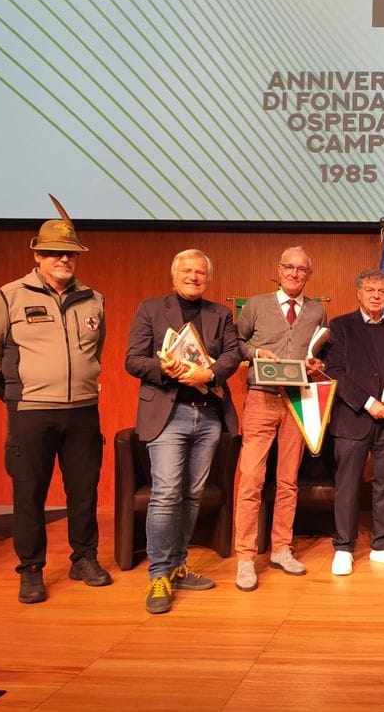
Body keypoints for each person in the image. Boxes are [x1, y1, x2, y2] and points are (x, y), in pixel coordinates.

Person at [0, 196, 111, 604]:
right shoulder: (11, 296)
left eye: (68, 253)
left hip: (83, 412)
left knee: (84, 492)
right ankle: (31, 570)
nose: (62, 259)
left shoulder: (94, 299)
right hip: (31, 412)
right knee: (29, 492)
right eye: (53, 252)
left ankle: (83, 558)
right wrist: (11, 393)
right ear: (37, 254)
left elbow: (96, 351)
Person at [125, 249, 241, 614]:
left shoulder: (220, 314)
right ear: (173, 276)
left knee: (192, 495)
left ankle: (177, 564)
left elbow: (232, 355)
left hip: (207, 416)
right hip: (168, 413)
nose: (194, 276)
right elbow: (133, 359)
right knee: (166, 494)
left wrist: (209, 374)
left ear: (208, 278)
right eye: (187, 271)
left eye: (200, 272)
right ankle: (158, 575)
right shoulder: (149, 309)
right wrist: (168, 370)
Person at [233, 246, 327, 591]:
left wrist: (316, 366)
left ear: (308, 275)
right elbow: (236, 341)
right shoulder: (256, 305)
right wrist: (257, 352)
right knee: (251, 480)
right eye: (289, 267)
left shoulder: (318, 311)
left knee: (288, 481)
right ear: (279, 269)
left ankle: (281, 549)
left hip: (297, 401)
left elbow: (320, 352)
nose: (295, 273)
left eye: (302, 269)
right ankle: (245, 557)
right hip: (260, 399)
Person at [324, 269, 384, 575]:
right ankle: (343, 547)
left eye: (382, 291)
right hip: (352, 419)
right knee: (347, 485)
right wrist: (368, 403)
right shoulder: (340, 326)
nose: (377, 296)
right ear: (358, 293)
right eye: (371, 290)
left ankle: (381, 544)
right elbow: (335, 371)